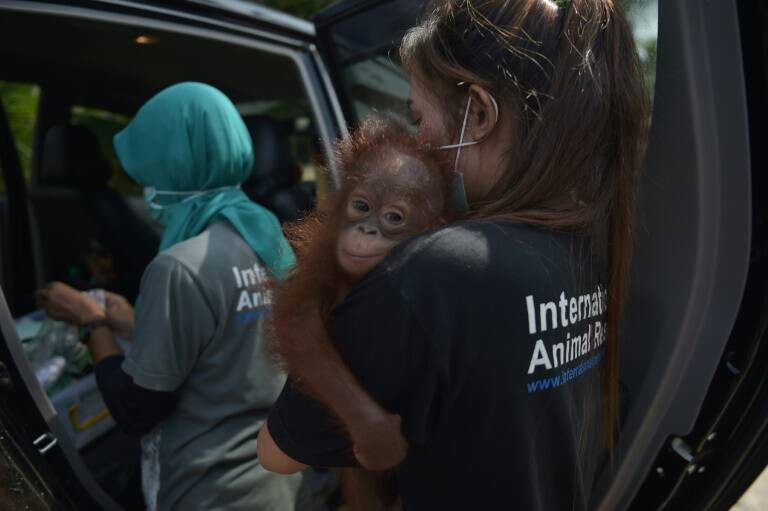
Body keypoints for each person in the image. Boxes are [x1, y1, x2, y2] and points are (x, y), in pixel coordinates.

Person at [257, 0, 650, 509]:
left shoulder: (440, 274)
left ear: (480, 114)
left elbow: (277, 452)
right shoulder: (582, 246)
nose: (417, 143)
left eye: (418, 117)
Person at [37, 82, 301, 510]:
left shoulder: (180, 266)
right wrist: (132, 322)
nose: (145, 185)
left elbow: (137, 409)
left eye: (148, 169)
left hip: (206, 491)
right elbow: (225, 346)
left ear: (176, 163)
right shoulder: (269, 237)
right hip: (272, 482)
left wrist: (91, 320)